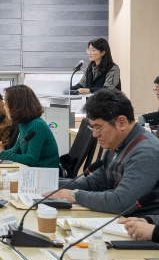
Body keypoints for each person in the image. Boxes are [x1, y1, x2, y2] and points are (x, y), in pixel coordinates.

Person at [48, 88, 159, 216]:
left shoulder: (145, 152)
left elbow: (121, 202)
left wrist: (74, 195)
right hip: (115, 218)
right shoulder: (118, 144)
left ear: (121, 122)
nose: (95, 134)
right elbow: (94, 183)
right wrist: (47, 183)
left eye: (98, 127)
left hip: (135, 224)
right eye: (93, 128)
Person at [0, 85, 59, 168]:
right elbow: (16, 150)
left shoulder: (36, 125)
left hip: (45, 172)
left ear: (17, 106)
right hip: (32, 170)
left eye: (7, 103)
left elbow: (31, 159)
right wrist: (1, 151)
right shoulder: (24, 124)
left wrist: (2, 154)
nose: (4, 107)